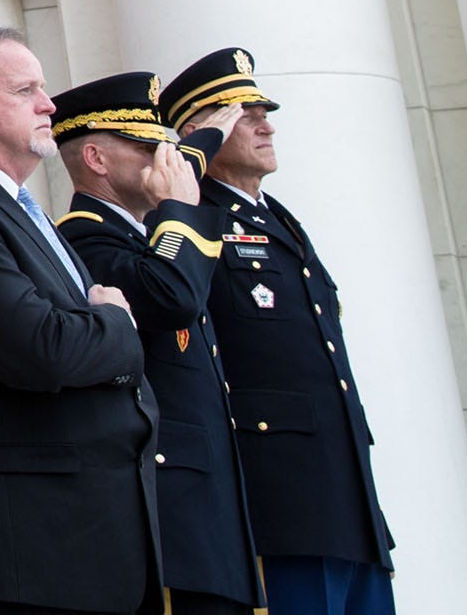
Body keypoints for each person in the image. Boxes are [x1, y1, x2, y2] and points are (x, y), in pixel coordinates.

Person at [0, 27, 160, 615]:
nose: (49, 105)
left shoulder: (22, 207)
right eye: (26, 89)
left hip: (95, 536)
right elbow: (39, 347)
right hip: (43, 550)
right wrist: (119, 326)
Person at [163, 48, 396, 615]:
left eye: (262, 112)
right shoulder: (195, 218)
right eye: (244, 115)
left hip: (342, 494)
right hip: (280, 503)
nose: (265, 124)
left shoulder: (277, 218)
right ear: (204, 132)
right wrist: (191, 165)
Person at [48, 73, 264, 615]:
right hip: (170, 511)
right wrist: (180, 209)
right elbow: (172, 296)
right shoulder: (83, 238)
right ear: (95, 158)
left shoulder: (142, 236)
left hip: (208, 510)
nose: (166, 160)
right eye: (148, 148)